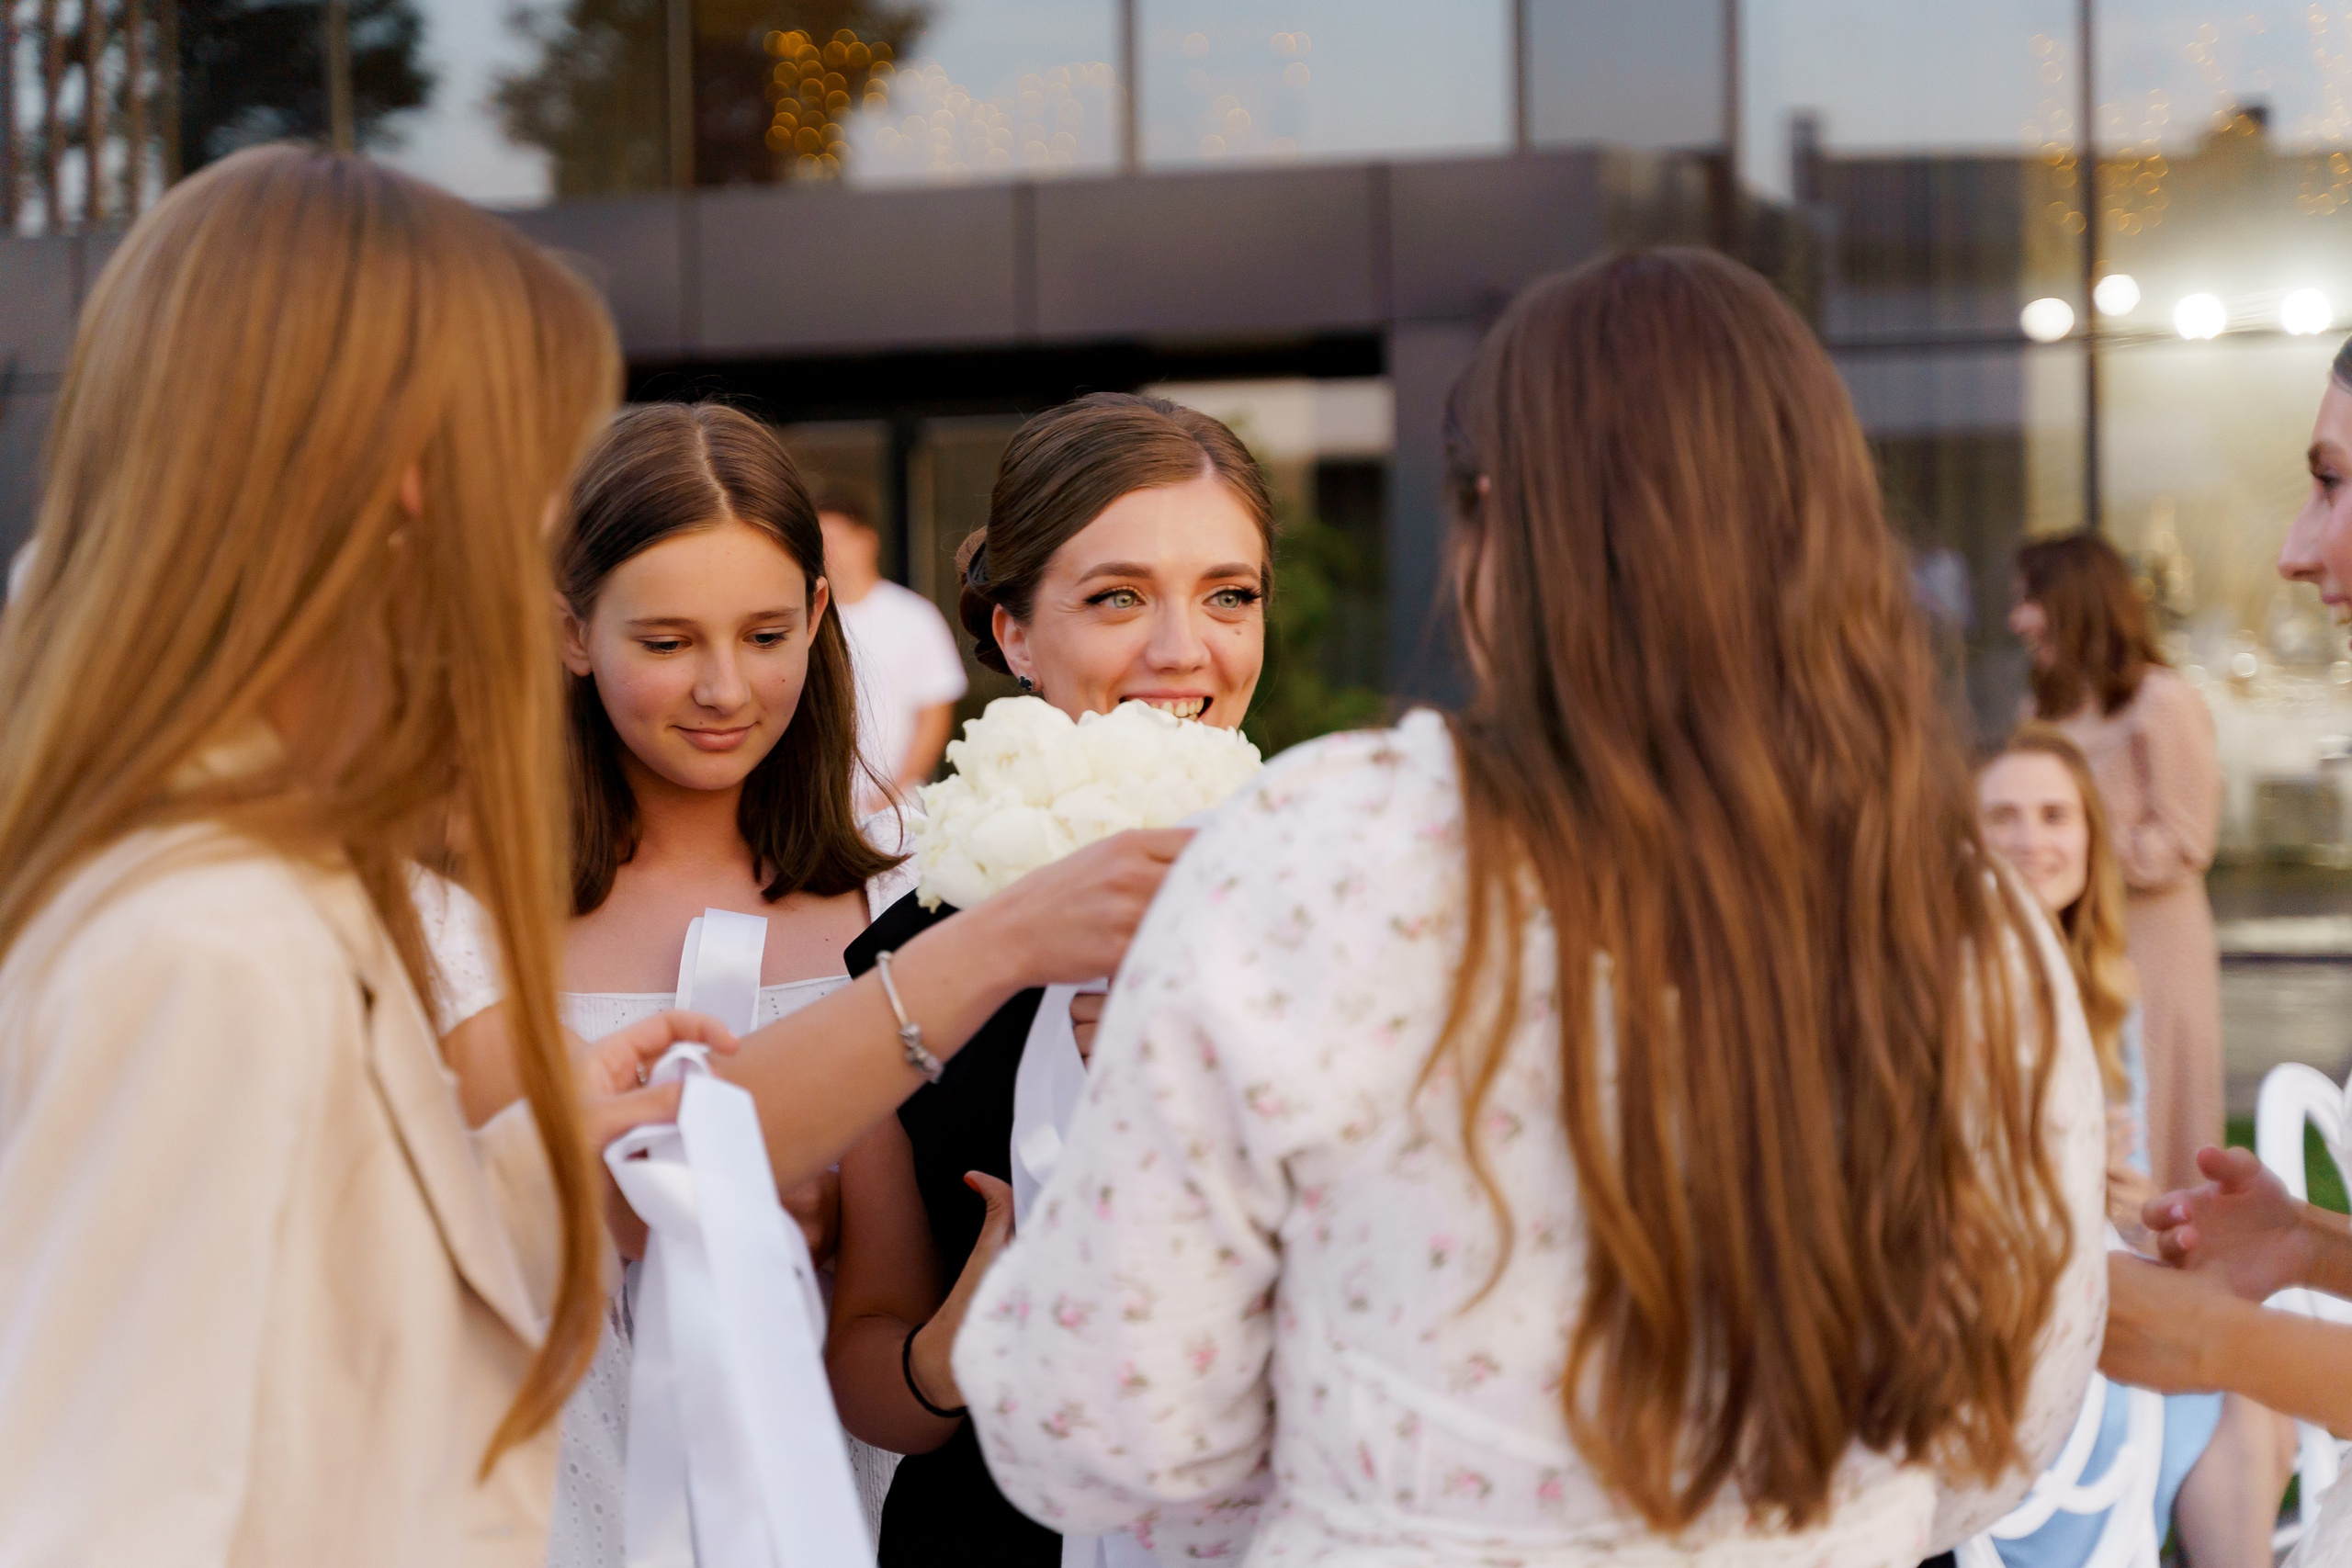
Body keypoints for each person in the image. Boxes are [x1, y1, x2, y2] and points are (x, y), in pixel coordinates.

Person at [951, 251, 2110, 1564]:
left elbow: (1102, 1427)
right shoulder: (1965, 915)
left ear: (1491, 525)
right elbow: (2002, 1426)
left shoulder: (1318, 852)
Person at [0, 146, 724, 1562]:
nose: (545, 541)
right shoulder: (216, 943)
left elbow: (308, 1335)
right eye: (533, 470)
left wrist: (532, 1156)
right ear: (407, 485)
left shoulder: (258, 873)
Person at [827, 390, 1273, 1567]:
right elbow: (870, 1374)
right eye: (1118, 596)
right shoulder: (913, 956)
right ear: (1015, 635)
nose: (1183, 650)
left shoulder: (1356, 911)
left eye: (1229, 595)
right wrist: (958, 1342)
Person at [1978, 728, 2290, 1568]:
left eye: (2056, 815)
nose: (2032, 840)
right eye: (2003, 817)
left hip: (2095, 1281)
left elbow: (2132, 1207)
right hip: (1993, 1314)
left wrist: (2134, 1203)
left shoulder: (2109, 992)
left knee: (2248, 1401)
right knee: (2204, 1374)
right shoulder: (1946, 992)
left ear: (2090, 838)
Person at [2013, 531, 2222, 1192]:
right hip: (2065, 944)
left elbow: (2187, 840)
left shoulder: (2162, 701)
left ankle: (2165, 1253)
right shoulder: (2039, 708)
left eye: (2029, 600)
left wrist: (2076, 854)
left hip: (2151, 950)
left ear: (2073, 600)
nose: (2017, 619)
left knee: (2149, 1121)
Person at [817, 481, 967, 811]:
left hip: (895, 811)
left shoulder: (913, 616)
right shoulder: (810, 620)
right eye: (820, 544)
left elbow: (935, 711)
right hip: (819, 811)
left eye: (835, 541)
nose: (828, 554)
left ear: (866, 542)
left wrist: (894, 790)